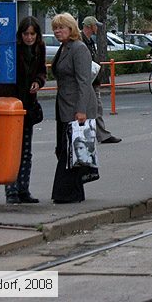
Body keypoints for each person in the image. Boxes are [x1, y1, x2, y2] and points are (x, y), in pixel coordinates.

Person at [0, 16, 46, 204]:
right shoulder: (13, 49)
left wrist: (38, 82)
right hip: (11, 103)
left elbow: (42, 72)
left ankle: (24, 189)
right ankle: (12, 191)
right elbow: (5, 74)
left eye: (32, 34)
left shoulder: (40, 49)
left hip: (28, 105)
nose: (29, 38)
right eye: (26, 34)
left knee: (26, 150)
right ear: (20, 34)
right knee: (11, 148)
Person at [50, 13, 98, 204]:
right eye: (55, 28)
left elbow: (84, 82)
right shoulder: (64, 48)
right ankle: (73, 191)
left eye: (61, 27)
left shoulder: (79, 49)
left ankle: (66, 193)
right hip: (63, 105)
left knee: (71, 150)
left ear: (71, 29)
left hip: (76, 107)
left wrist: (81, 110)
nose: (57, 31)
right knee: (65, 150)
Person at [81, 16, 121, 144]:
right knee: (95, 107)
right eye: (95, 25)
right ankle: (99, 134)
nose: (97, 28)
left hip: (92, 80)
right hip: (88, 81)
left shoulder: (88, 41)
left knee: (95, 107)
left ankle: (98, 134)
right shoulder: (82, 41)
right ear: (90, 26)